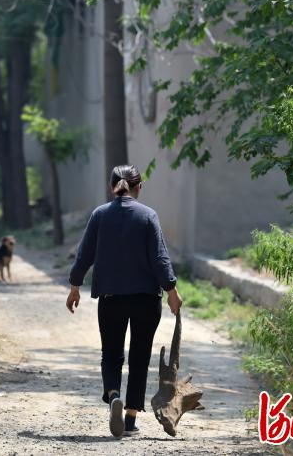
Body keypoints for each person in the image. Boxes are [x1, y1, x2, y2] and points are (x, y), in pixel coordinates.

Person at [66, 164, 182, 438]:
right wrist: (172, 290)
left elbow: (84, 255)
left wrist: (74, 285)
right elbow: (160, 258)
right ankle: (129, 419)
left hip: (111, 298)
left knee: (112, 353)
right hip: (145, 299)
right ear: (138, 187)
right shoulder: (148, 216)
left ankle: (114, 394)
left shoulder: (100, 215)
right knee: (140, 356)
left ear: (112, 187)